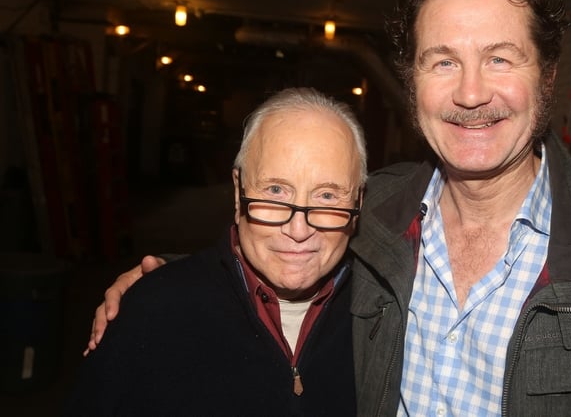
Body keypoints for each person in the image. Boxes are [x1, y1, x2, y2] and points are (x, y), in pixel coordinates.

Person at [87, 0, 571, 416]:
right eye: (443, 60)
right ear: (412, 81)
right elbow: (289, 242)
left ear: (547, 75)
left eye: (501, 58)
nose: (471, 93)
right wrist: (163, 290)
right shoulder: (375, 215)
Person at [67, 87, 365, 416]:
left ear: (359, 203)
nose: (298, 230)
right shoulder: (151, 313)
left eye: (326, 196)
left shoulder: (388, 315)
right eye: (275, 190)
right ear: (238, 193)